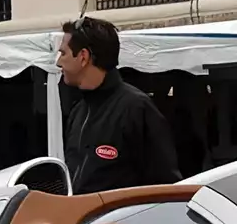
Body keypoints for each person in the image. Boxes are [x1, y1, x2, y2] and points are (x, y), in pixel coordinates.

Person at [58, 16, 180, 194]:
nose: (58, 62)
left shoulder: (136, 109)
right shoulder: (77, 113)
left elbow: (166, 187)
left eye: (63, 54)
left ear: (83, 57)